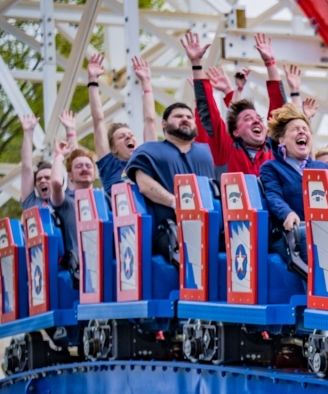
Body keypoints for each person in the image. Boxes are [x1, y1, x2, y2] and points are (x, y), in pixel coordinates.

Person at [181, 30, 285, 176]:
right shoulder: (226, 150)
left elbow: (279, 110)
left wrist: (270, 63)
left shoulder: (272, 149)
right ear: (235, 132)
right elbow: (208, 112)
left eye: (259, 119)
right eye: (248, 119)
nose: (257, 122)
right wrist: (197, 64)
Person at [125, 103, 215, 258]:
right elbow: (144, 184)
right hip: (170, 230)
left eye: (189, 117)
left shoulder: (208, 151)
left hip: (211, 226)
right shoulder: (149, 150)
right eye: (178, 116)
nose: (185, 119)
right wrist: (175, 203)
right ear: (164, 124)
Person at [259, 103, 328, 263]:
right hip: (290, 234)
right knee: (309, 236)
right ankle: (316, 288)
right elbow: (273, 196)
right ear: (282, 140)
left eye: (305, 129)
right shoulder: (271, 167)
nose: (302, 132)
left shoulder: (323, 168)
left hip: (324, 229)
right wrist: (288, 213)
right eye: (295, 129)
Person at [86, 53, 158, 194]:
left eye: (131, 135)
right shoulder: (109, 165)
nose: (128, 137)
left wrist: (146, 82)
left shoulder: (146, 159)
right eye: (121, 137)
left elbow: (150, 120)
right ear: (113, 149)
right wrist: (93, 80)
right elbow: (98, 119)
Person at [48, 141, 98, 277]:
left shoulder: (104, 199)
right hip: (81, 271)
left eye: (88, 166)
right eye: (78, 167)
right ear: (70, 176)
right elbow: (56, 183)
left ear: (94, 173)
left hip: (107, 264)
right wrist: (59, 156)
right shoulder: (66, 203)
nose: (84, 169)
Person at [17, 114, 52, 211]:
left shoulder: (66, 201)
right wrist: (28, 133)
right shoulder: (32, 203)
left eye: (48, 177)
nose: (42, 181)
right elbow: (26, 168)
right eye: (39, 179)